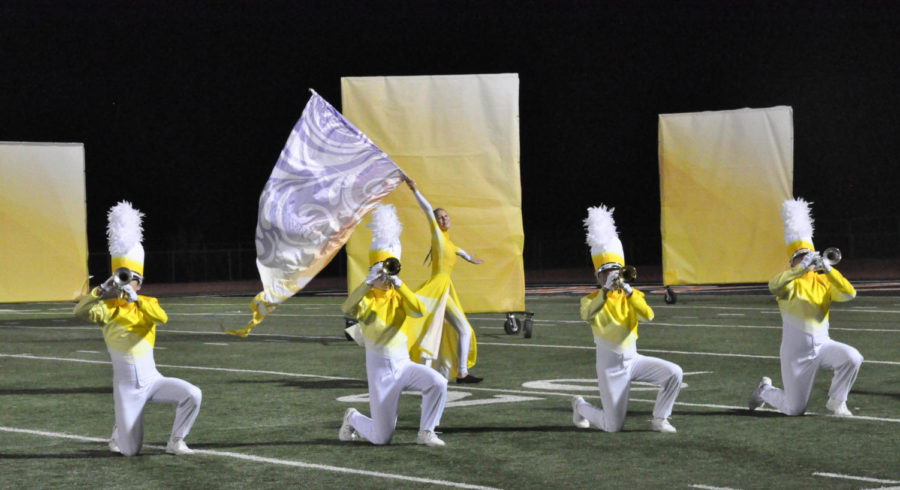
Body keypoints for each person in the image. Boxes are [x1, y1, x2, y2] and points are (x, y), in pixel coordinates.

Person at [73, 201, 202, 456]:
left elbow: (161, 317)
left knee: (193, 394)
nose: (126, 283)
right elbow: (80, 311)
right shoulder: (108, 311)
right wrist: (100, 289)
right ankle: (119, 430)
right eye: (123, 278)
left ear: (139, 284)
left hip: (153, 380)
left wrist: (137, 300)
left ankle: (176, 441)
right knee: (130, 452)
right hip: (127, 389)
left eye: (132, 279)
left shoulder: (147, 304)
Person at [339, 204, 449, 447]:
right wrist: (367, 284)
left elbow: (419, 310)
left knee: (438, 382)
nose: (385, 277)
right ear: (372, 271)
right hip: (380, 374)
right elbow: (346, 309)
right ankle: (352, 417)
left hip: (403, 365)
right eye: (381, 272)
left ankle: (426, 432)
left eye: (389, 270)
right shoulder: (365, 298)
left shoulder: (399, 294)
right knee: (381, 438)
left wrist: (399, 284)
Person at [570, 205, 683, 434]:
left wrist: (629, 290)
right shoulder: (591, 299)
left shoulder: (631, 295)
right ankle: (580, 406)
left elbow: (649, 315)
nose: (611, 276)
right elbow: (587, 314)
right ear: (598, 276)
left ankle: (660, 419)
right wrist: (605, 292)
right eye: (605, 273)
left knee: (674, 373)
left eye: (616, 271)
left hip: (633, 360)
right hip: (610, 367)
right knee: (613, 427)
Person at [748, 198, 862, 417]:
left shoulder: (824, 281)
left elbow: (850, 294)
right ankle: (764, 390)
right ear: (792, 262)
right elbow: (773, 285)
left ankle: (837, 401)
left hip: (823, 346)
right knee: (794, 409)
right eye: (800, 258)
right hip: (796, 353)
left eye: (808, 257)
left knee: (852, 357)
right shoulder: (789, 283)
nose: (806, 261)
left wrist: (829, 269)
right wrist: (799, 269)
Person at [402, 176, 482, 383]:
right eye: (440, 217)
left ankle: (453, 372)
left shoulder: (450, 243)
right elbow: (427, 209)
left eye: (446, 216)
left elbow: (460, 252)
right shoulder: (437, 235)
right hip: (438, 290)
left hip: (445, 290)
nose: (444, 219)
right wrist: (415, 190)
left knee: (446, 331)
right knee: (460, 330)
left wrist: (471, 258)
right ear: (436, 222)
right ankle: (461, 373)